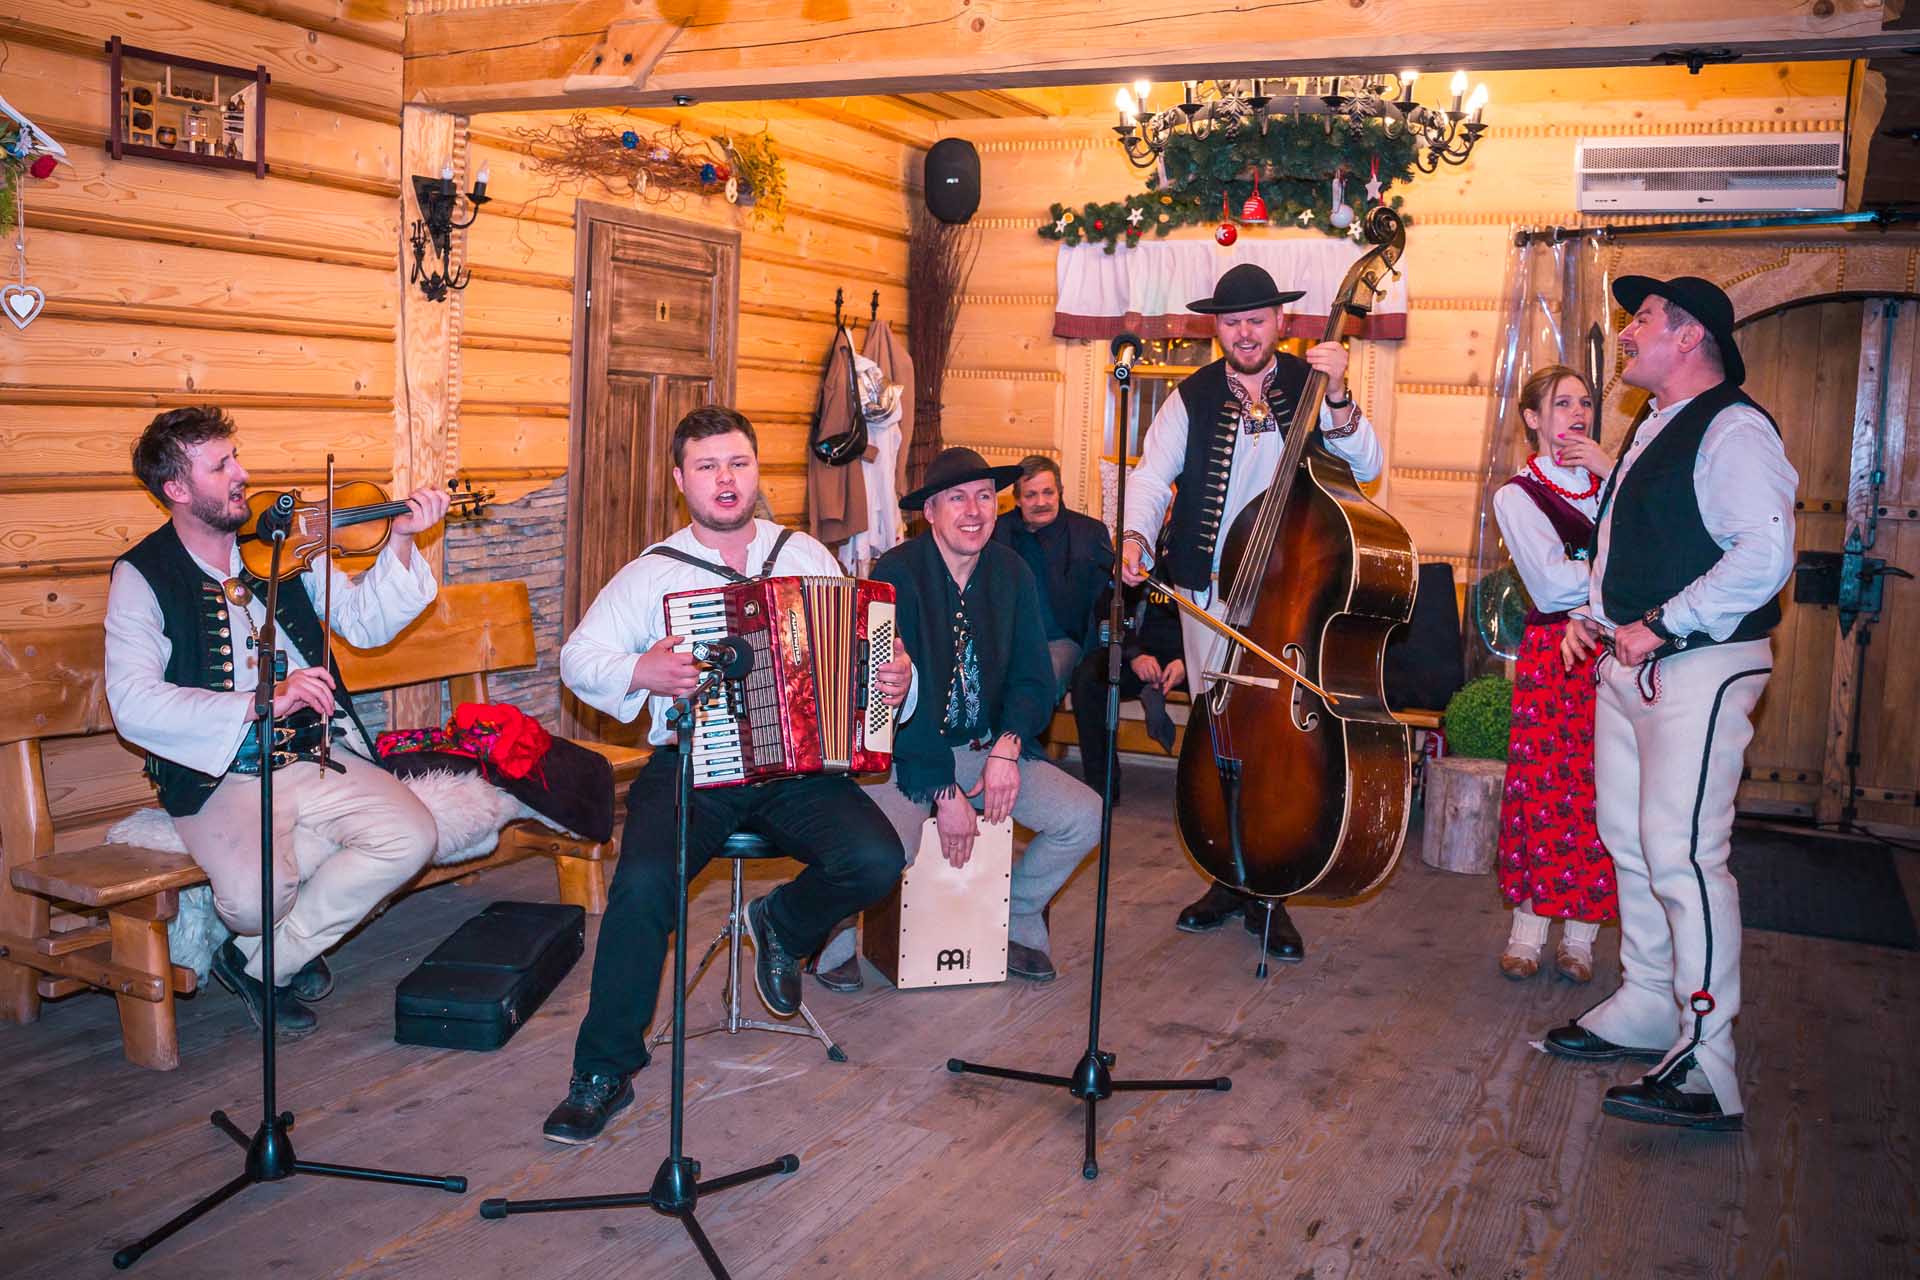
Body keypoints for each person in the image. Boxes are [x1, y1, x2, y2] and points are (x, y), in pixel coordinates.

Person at [547, 405, 914, 1144]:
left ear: (755, 471)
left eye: (738, 463)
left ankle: (780, 922)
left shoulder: (805, 554)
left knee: (878, 859)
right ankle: (603, 1071)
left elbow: (867, 654)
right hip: (692, 762)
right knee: (641, 887)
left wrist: (898, 681)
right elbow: (577, 660)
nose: (725, 478)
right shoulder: (651, 573)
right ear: (680, 479)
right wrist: (642, 671)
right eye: (708, 465)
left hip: (799, 766)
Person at [104, 406, 452, 1038]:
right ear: (176, 489)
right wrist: (259, 700)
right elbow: (133, 702)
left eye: (235, 457)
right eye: (220, 466)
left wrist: (401, 539)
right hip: (219, 770)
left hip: (313, 752)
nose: (242, 474)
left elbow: (366, 624)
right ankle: (276, 937)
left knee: (412, 836)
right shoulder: (142, 575)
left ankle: (262, 962)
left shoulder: (283, 544)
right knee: (254, 902)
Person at [1546, 276, 1797, 1132]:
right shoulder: (1655, 423)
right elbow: (1636, 540)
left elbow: (1763, 554)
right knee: (1632, 841)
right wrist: (1596, 613)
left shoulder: (1733, 428)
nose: (1626, 332)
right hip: (1633, 665)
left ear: (1690, 337)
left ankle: (1708, 1061)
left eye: (1642, 319)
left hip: (1698, 667)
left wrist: (1660, 622)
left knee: (1686, 856)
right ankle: (1652, 1001)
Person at [1119, 262, 1386, 964]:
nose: (1244, 332)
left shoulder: (1313, 383)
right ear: (1218, 327)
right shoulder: (1193, 396)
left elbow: (1366, 465)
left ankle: (1272, 889)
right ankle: (1226, 874)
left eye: (1256, 320)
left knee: (1278, 746)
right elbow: (1152, 476)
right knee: (1220, 736)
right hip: (1209, 595)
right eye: (1232, 321)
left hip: (1290, 598)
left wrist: (1340, 396)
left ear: (1281, 322)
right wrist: (1136, 534)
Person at [812, 448, 1103, 991]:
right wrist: (944, 791)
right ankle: (835, 927)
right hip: (909, 754)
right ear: (931, 512)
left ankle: (1017, 912)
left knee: (1085, 817)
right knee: (880, 850)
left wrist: (1008, 747)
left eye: (985, 497)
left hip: (985, 745)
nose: (974, 511)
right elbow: (891, 701)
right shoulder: (897, 573)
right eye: (957, 499)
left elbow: (1033, 677)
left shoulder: (1012, 572)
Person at [1489, 365, 1616, 984]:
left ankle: (1582, 940)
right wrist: (1616, 579)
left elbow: (1658, 546)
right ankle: (1528, 931)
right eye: (1562, 403)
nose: (1577, 413)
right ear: (1533, 418)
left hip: (1616, 650)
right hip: (1554, 656)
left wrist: (1612, 473)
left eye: (1585, 402)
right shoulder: (1518, 495)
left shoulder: (1613, 484)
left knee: (1603, 791)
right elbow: (1551, 584)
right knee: (1543, 789)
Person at [991, 454, 1114, 693]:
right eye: (1031, 495)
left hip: (1060, 641)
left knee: (1037, 682)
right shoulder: (997, 532)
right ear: (1017, 500)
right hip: (1005, 641)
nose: (1041, 502)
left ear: (1060, 492)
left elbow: (1104, 601)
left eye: (1048, 492)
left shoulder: (1089, 533)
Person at [1068, 582, 1186, 805]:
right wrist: (1134, 654)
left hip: (1191, 658)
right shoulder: (1136, 562)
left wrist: (1188, 661)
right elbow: (1108, 607)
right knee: (1088, 677)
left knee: (1220, 685)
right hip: (1138, 655)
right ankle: (1102, 790)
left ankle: (1205, 789)